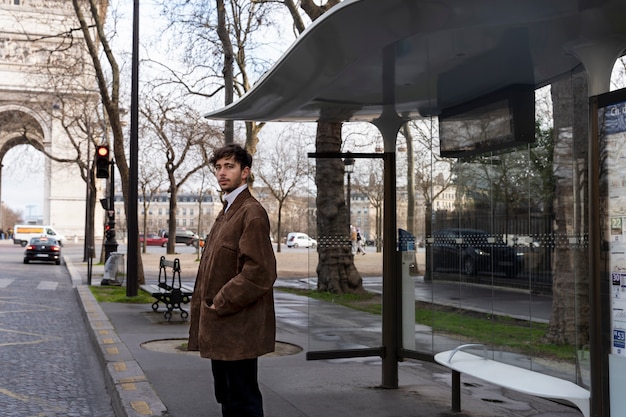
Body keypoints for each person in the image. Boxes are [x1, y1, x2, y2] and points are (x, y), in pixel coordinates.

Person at [188, 144, 277, 417]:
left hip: (237, 326)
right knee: (227, 396)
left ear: (245, 172)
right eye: (218, 167)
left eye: (229, 166)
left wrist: (221, 301)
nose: (222, 173)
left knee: (242, 400)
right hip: (222, 325)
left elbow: (261, 271)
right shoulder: (227, 210)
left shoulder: (251, 212)